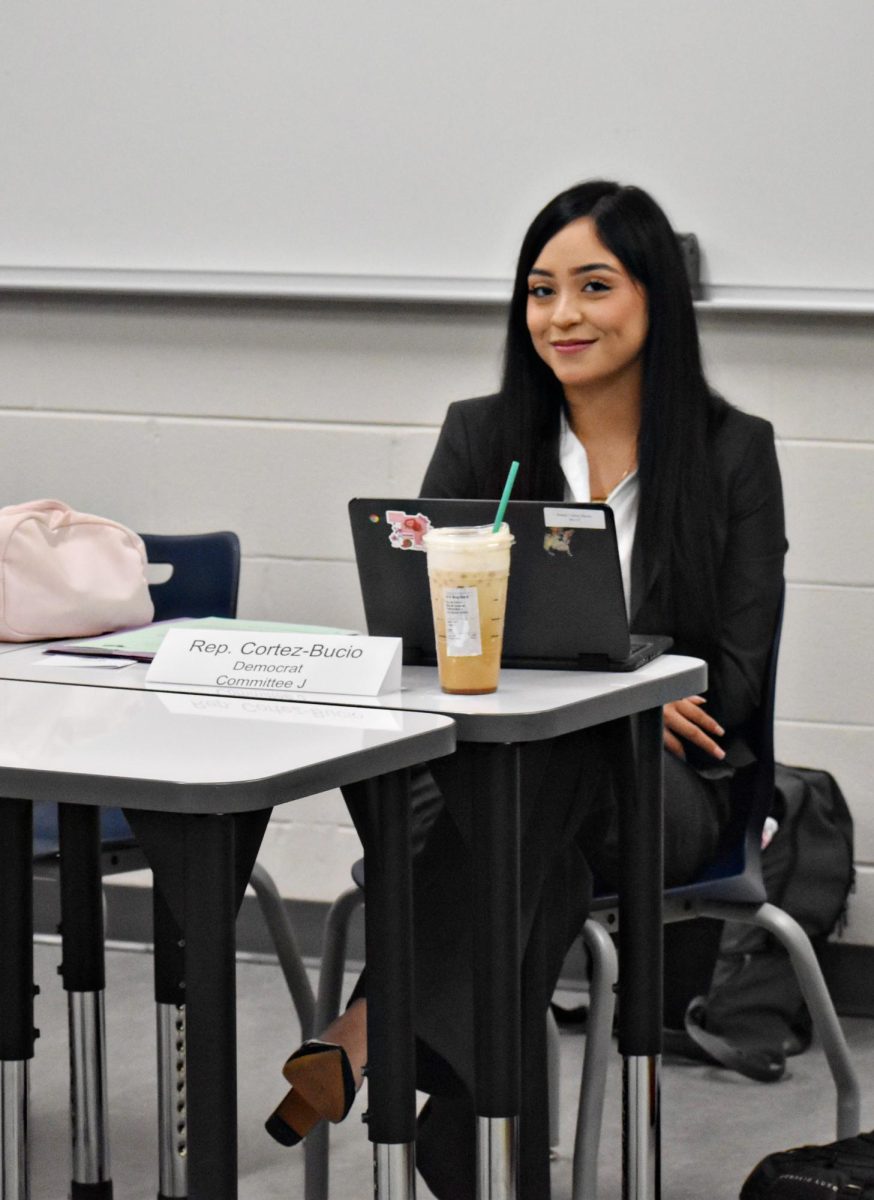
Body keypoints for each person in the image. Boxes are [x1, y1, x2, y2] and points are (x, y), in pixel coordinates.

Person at [265, 179, 787, 1198]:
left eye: (593, 286)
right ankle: (470, 1135)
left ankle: (373, 1027)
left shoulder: (733, 452)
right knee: (518, 831)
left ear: (656, 299)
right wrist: (600, 675)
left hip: (666, 789)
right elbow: (419, 643)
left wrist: (623, 682)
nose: (561, 316)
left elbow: (733, 679)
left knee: (564, 753)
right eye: (540, 291)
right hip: (486, 782)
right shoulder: (480, 432)